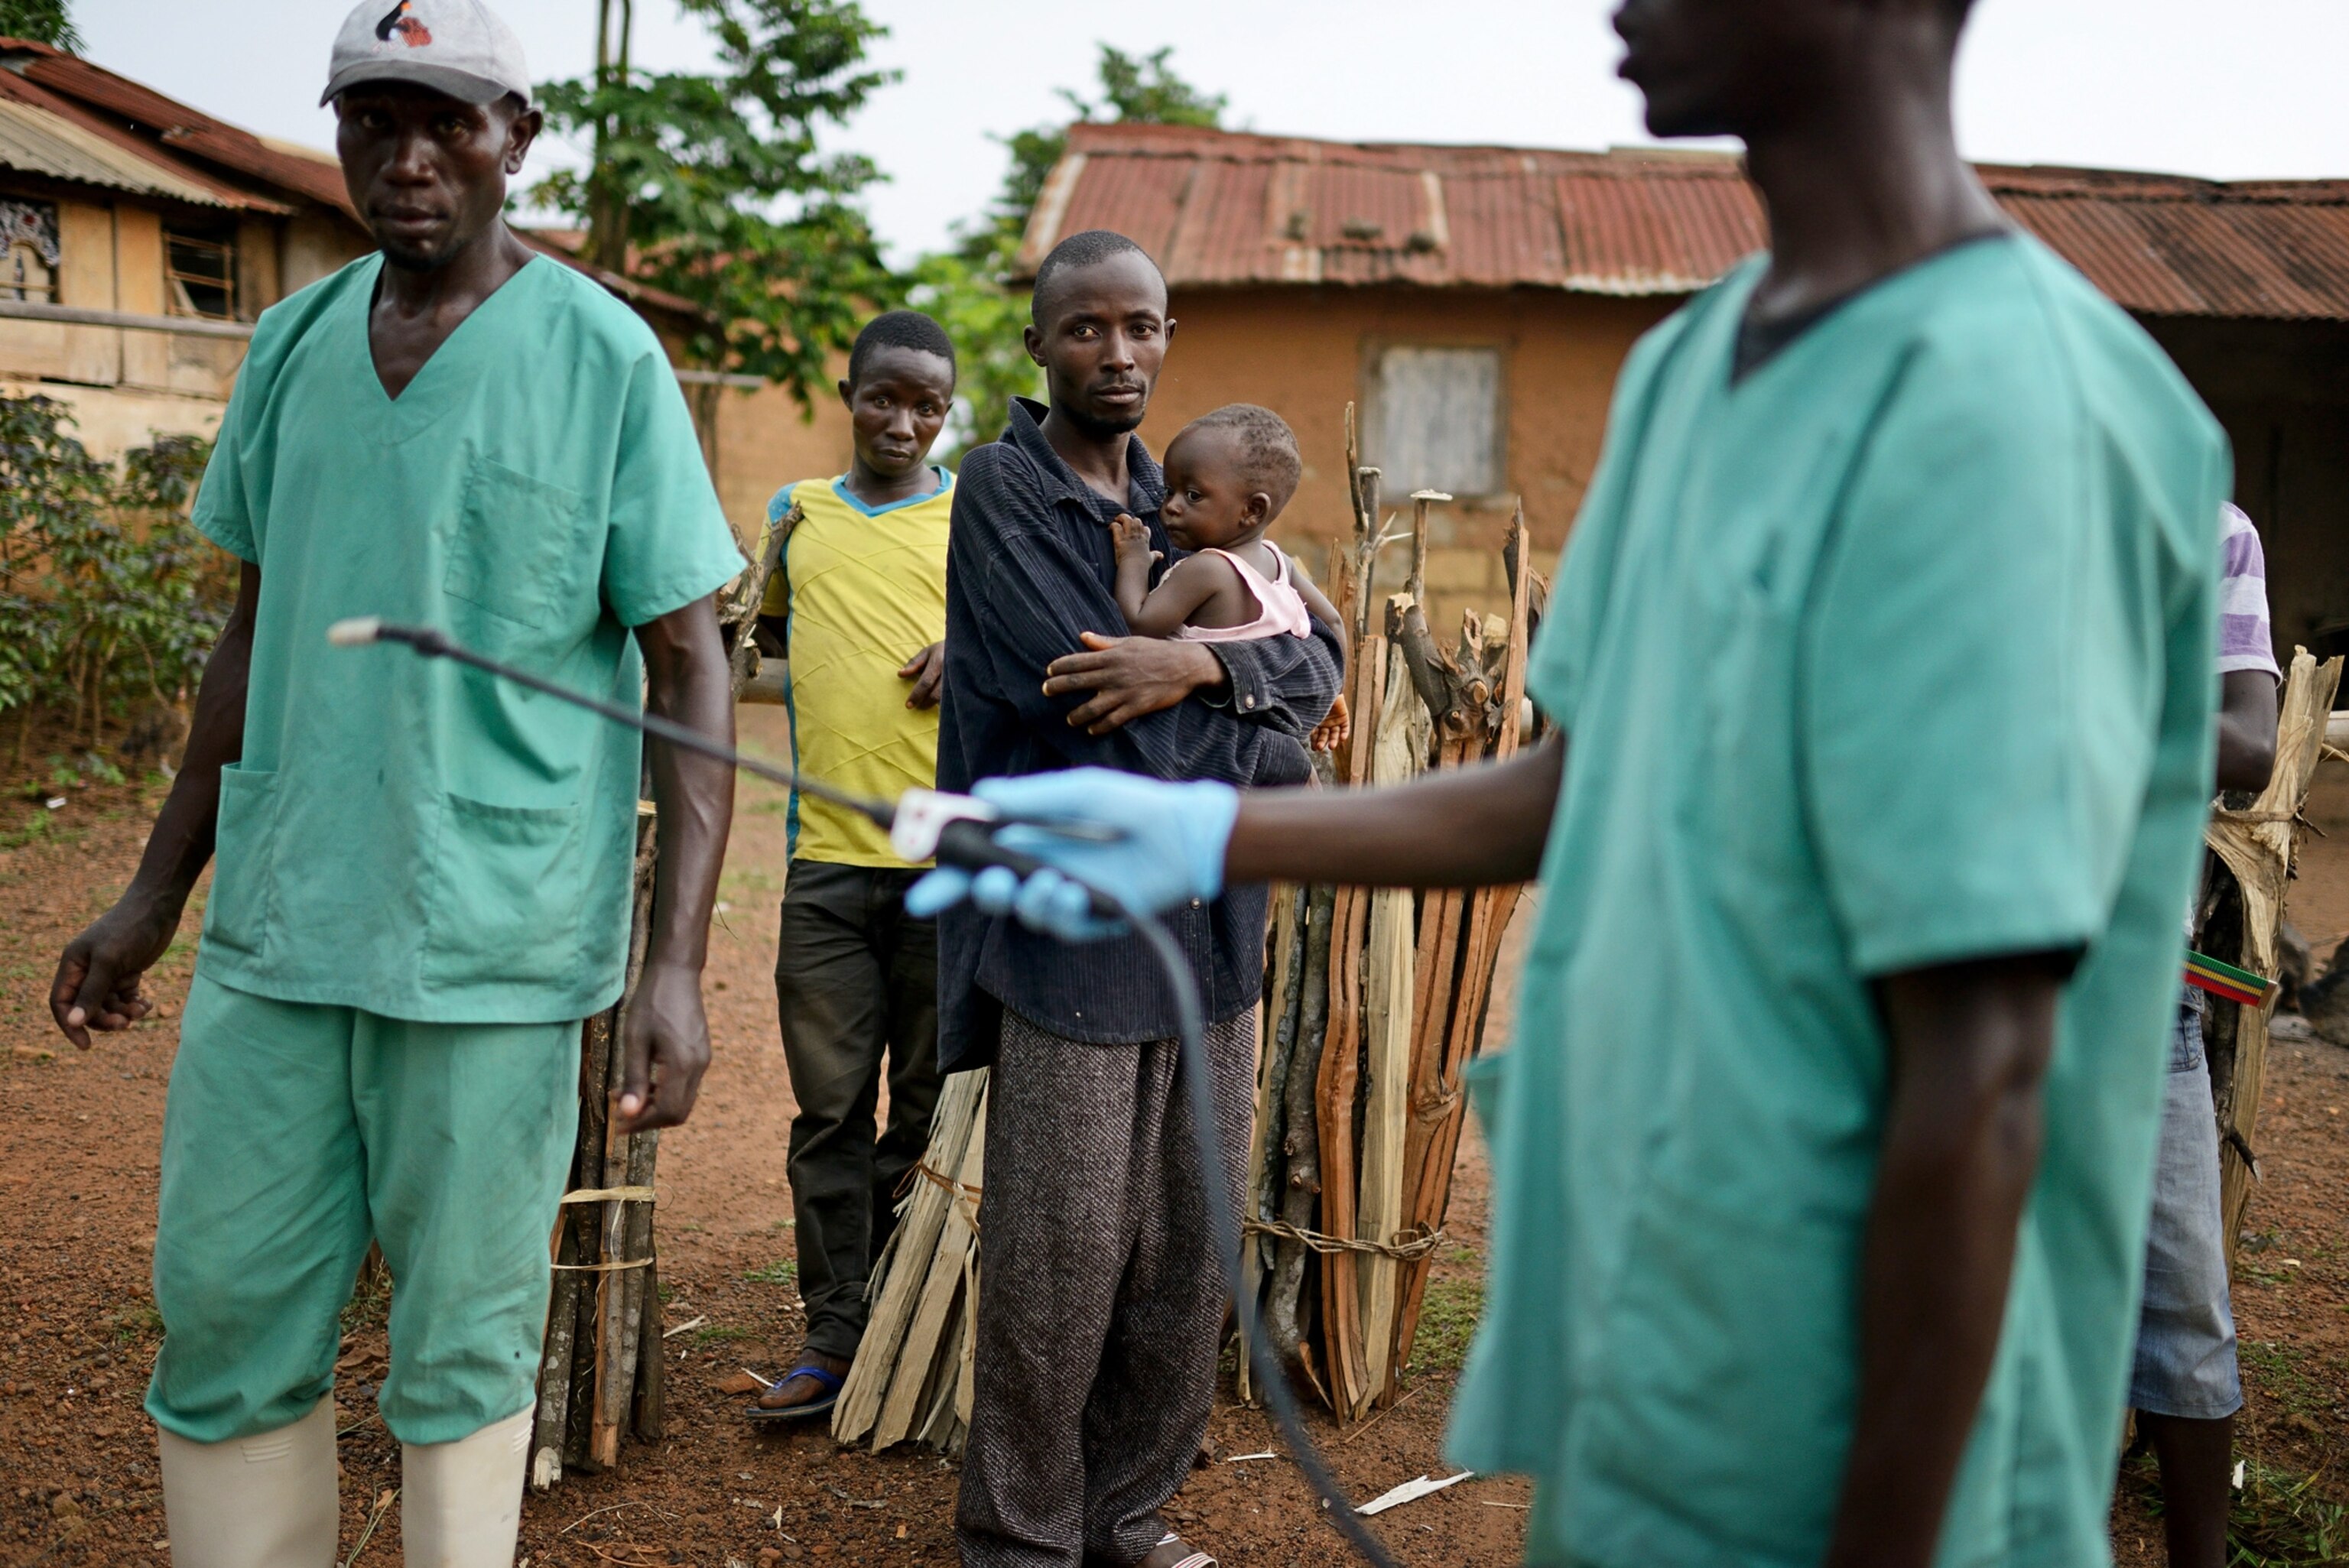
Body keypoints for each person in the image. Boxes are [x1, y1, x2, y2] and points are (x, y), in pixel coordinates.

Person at [912, 2, 2232, 1564]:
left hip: (1877, 1422)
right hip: (1657, 1337)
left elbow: (1989, 1067)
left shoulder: (2017, 404)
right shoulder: (1693, 369)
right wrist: (1207, 819)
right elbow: (1580, 778)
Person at [45, 3, 744, 1562]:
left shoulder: (602, 356)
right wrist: (154, 892)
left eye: (450, 122)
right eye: (375, 120)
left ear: (519, 138)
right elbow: (252, 630)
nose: (410, 156)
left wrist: (677, 966)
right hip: (284, 926)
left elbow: (694, 662)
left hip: (490, 939)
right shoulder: (293, 342)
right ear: (342, 132)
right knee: (224, 1303)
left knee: (463, 1339)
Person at [930, 230, 1340, 1568]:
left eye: (1143, 327)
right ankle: (1023, 1538)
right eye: (1088, 329)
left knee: (1185, 1251)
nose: (1119, 354)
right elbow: (1101, 711)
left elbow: (1319, 652)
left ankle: (1127, 1511)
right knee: (1060, 1256)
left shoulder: (1193, 494)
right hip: (1076, 938)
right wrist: (1267, 741)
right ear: (1039, 343)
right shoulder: (1004, 492)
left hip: (1211, 936)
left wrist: (1212, 679)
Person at [743, 309, 957, 1424]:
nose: (905, 421)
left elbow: (1035, 641)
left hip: (940, 860)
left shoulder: (976, 513)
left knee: (922, 1105)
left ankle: (904, 1319)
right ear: (849, 390)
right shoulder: (798, 514)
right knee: (829, 1109)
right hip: (821, 858)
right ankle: (832, 1328)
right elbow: (762, 639)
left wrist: (969, 642)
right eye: (886, 397)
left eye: (928, 404)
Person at [2130, 502, 2281, 1566]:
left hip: (2136, 996)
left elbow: (2250, 742)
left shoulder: (2210, 533)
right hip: (1958, 982)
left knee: (2185, 1307)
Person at [1111, 404, 1349, 761]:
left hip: (1202, 746)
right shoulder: (1280, 563)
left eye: (1193, 496)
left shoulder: (1207, 569)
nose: (1171, 507)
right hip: (1269, 744)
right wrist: (1330, 692)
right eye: (1168, 491)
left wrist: (1132, 559)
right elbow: (1333, 623)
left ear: (1253, 510)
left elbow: (1139, 624)